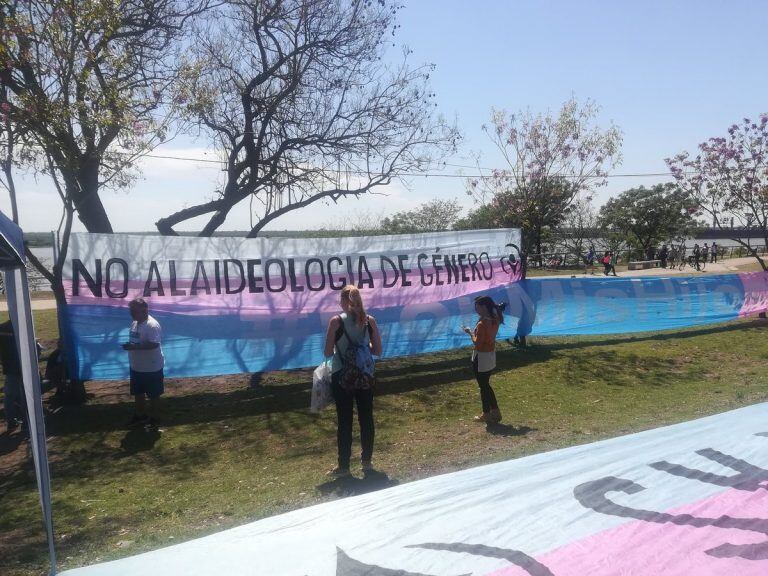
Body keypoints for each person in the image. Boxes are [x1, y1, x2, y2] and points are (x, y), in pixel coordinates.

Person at [323, 285, 383, 477]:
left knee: (344, 421)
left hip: (343, 376)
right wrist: (363, 346)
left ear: (342, 301)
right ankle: (367, 463)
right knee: (366, 418)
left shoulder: (335, 321)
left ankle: (344, 467)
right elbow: (377, 351)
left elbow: (327, 351)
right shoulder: (369, 320)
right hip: (365, 377)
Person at [462, 295, 505, 424]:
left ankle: (486, 413)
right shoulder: (495, 319)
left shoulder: (482, 323)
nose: (476, 309)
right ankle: (495, 411)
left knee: (483, 387)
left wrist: (470, 333)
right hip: (490, 355)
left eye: (478, 307)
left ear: (484, 307)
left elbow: (478, 344)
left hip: (480, 357)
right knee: (486, 385)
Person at [122, 298, 164, 428]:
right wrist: (130, 345)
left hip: (151, 367)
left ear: (145, 310)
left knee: (153, 395)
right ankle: (140, 416)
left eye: (134, 311)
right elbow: (137, 341)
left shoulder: (152, 325)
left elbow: (154, 344)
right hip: (136, 366)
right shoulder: (135, 322)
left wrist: (135, 347)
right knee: (138, 393)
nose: (131, 313)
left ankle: (154, 418)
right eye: (130, 310)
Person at [0, 320, 24, 433]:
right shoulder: (23, 325)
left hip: (11, 367)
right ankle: (22, 420)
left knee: (11, 395)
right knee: (20, 394)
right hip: (20, 366)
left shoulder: (3, 327)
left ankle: (12, 420)